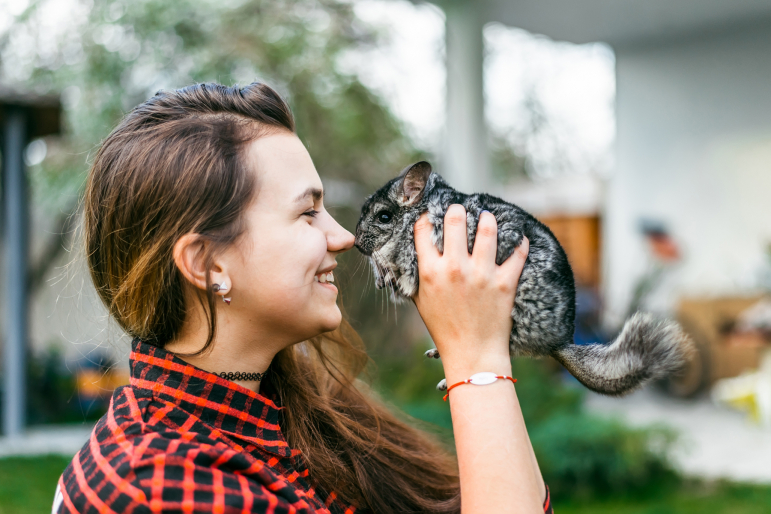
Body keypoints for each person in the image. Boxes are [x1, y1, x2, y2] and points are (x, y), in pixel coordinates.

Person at [54, 82, 552, 513]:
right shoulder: (157, 485)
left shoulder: (299, 413)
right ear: (207, 264)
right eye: (307, 212)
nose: (343, 238)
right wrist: (476, 359)